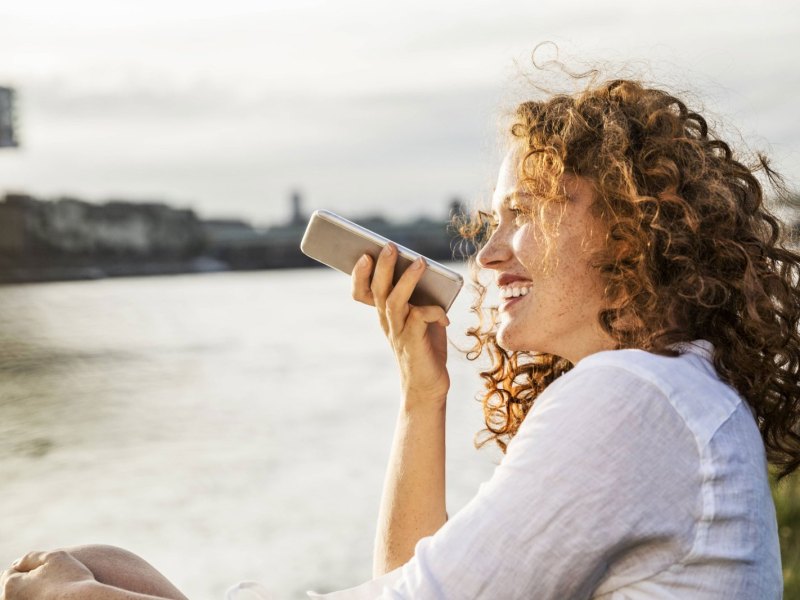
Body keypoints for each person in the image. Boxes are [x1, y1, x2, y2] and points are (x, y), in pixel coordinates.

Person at [2, 76, 798, 599]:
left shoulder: (633, 395)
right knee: (109, 566)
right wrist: (424, 396)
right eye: (493, 220)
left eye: (526, 211)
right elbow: (413, 584)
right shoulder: (671, 391)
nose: (487, 254)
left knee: (81, 583)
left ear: (633, 220)